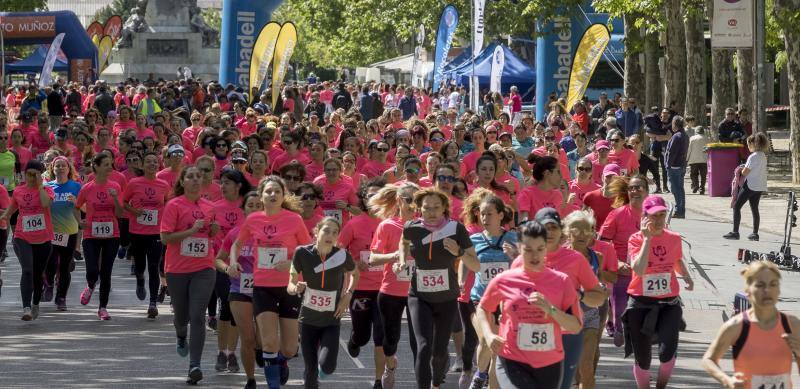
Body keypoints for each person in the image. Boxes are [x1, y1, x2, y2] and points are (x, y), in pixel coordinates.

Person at [477, 220, 582, 388]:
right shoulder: (505, 280)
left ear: (546, 248)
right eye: (528, 250)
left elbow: (576, 326)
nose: (535, 256)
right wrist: (489, 335)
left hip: (549, 362)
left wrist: (551, 309)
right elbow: (483, 308)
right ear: (519, 248)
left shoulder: (561, 281)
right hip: (512, 359)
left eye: (540, 249)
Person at [233, 176, 311, 389]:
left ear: (283, 195)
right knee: (268, 342)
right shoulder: (253, 220)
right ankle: (273, 385)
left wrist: (291, 263)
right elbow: (237, 244)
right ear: (261, 196)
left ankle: (282, 359)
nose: (273, 195)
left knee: (289, 348)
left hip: (290, 286)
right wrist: (233, 262)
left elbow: (309, 250)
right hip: (263, 287)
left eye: (277, 191)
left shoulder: (294, 219)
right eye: (268, 191)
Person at [399, 188, 479, 389]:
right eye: (426, 208)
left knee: (439, 351)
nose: (432, 212)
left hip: (446, 298)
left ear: (445, 208)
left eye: (436, 208)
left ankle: (436, 383)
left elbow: (476, 264)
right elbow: (403, 242)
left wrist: (459, 252)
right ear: (419, 209)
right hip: (419, 296)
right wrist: (401, 260)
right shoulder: (411, 227)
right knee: (423, 347)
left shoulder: (456, 229)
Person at [624, 195, 693, 389]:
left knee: (667, 352)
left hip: (669, 302)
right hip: (640, 303)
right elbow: (638, 269)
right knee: (643, 358)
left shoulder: (674, 238)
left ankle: (661, 386)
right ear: (644, 217)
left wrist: (686, 276)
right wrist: (647, 239)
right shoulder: (635, 239)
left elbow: (677, 260)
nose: (659, 220)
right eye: (654, 216)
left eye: (662, 215)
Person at [161, 165, 220, 384]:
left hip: (204, 268)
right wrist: (191, 231)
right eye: (191, 177)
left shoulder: (210, 206)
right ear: (183, 181)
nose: (196, 180)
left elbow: (211, 234)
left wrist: (213, 230)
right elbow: (166, 238)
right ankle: (180, 335)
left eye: (199, 176)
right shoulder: (173, 205)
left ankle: (194, 365)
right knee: (181, 317)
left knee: (197, 315)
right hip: (177, 269)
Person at [702, 261, 800, 389]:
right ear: (748, 290)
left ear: (779, 290)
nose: (767, 290)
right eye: (760, 285)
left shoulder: (792, 324)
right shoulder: (736, 326)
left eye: (773, 284)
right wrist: (727, 380)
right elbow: (709, 359)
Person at [288, 217, 359, 388]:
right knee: (310, 371)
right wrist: (296, 287)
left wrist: (348, 295)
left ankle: (322, 371)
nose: (330, 235)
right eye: (326, 230)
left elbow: (355, 274)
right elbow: (290, 283)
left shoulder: (342, 255)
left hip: (330, 320)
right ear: (316, 231)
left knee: (328, 365)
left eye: (335, 232)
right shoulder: (302, 253)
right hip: (307, 321)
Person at [367, 182, 420, 389]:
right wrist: (396, 255)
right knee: (390, 340)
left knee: (420, 340)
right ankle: (390, 364)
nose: (413, 205)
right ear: (399, 201)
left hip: (419, 290)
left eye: (417, 201)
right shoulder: (387, 226)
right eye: (408, 200)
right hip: (391, 290)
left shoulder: (425, 226)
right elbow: (372, 259)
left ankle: (423, 380)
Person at [465, 195, 518, 389]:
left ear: (501, 215)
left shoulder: (513, 239)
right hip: (481, 298)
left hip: (506, 300)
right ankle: (480, 373)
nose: (485, 218)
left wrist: (517, 255)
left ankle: (490, 384)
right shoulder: (474, 239)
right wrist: (462, 280)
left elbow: (524, 265)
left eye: (490, 214)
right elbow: (468, 261)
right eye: (482, 214)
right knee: (486, 341)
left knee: (497, 347)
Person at [338, 178, 387, 389]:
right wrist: (355, 263)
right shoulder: (354, 224)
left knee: (381, 335)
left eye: (379, 194)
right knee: (363, 334)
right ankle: (355, 340)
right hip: (360, 288)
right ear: (364, 199)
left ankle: (379, 380)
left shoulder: (391, 223)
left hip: (386, 288)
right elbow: (338, 252)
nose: (374, 199)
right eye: (370, 195)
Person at [218, 191, 263, 389]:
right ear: (243, 209)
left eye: (258, 205)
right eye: (250, 205)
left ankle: (267, 353)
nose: (254, 208)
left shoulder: (274, 231)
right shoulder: (235, 233)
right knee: (248, 336)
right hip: (239, 288)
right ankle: (250, 379)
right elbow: (218, 258)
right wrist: (228, 268)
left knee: (263, 338)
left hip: (266, 289)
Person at [599, 175, 649, 345]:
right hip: (622, 269)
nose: (635, 191)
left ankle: (635, 333)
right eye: (632, 188)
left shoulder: (653, 215)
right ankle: (617, 325)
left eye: (639, 187)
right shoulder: (617, 214)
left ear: (647, 191)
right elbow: (603, 242)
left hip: (645, 271)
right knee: (620, 311)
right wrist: (617, 263)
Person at [2, 160, 54, 320]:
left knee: (38, 274)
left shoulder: (47, 190)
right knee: (27, 270)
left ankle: (35, 303)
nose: (31, 177)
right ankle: (26, 308)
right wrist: (4, 216)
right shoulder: (18, 191)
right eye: (29, 174)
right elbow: (12, 208)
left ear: (40, 175)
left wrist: (40, 186)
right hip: (22, 236)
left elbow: (46, 203)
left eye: (35, 174)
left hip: (43, 238)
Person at [77, 153, 124, 320]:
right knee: (92, 270)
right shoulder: (87, 188)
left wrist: (115, 199)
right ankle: (90, 286)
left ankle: (103, 308)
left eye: (111, 164)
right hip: (91, 234)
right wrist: (80, 222)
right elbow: (76, 207)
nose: (110, 167)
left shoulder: (116, 187)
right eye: (106, 164)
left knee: (106, 272)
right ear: (96, 167)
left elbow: (120, 213)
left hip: (112, 234)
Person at [123, 151, 171, 318]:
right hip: (137, 231)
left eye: (155, 162)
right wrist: (134, 211)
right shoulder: (134, 183)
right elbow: (123, 202)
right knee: (140, 266)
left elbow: (169, 204)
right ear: (142, 165)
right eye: (149, 162)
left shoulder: (164, 185)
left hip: (156, 232)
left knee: (154, 266)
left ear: (158, 166)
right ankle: (140, 280)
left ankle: (152, 303)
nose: (152, 164)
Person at [44, 157, 81, 311]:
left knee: (65, 267)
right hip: (51, 233)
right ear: (52, 169)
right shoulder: (47, 187)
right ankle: (50, 284)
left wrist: (76, 202)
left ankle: (61, 298)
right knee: (50, 264)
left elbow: (85, 207)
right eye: (57, 166)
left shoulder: (76, 186)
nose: (60, 168)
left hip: (69, 232)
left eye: (63, 166)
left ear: (68, 168)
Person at [724, 133, 769, 242]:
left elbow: (744, 173)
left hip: (750, 185)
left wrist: (741, 168)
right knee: (754, 208)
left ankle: (735, 232)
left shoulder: (752, 157)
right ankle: (755, 233)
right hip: (760, 186)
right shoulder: (763, 156)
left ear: (754, 144)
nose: (747, 146)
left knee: (737, 206)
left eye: (749, 144)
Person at [664, 116, 689, 218]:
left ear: (675, 124)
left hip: (675, 166)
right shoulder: (684, 135)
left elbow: (671, 153)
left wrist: (668, 165)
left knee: (675, 189)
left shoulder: (676, 136)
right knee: (680, 188)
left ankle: (679, 210)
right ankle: (681, 209)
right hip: (681, 165)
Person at [687, 127, 709, 195]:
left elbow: (689, 149)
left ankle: (695, 185)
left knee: (693, 174)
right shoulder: (707, 139)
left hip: (694, 160)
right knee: (703, 175)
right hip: (704, 160)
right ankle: (702, 188)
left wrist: (687, 158)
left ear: (696, 131)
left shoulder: (692, 138)